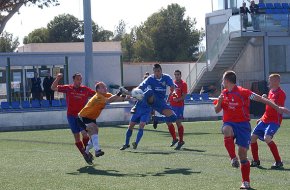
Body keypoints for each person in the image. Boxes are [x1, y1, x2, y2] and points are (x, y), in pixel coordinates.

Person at [214, 71, 290, 189]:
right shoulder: (223, 93)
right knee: (226, 130)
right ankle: (233, 158)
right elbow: (216, 110)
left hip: (243, 126)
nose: (222, 82)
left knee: (243, 155)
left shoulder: (243, 92)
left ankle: (246, 182)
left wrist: (276, 107)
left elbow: (261, 99)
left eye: (223, 80)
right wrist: (219, 101)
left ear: (227, 81)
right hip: (230, 123)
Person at [51, 72, 96, 164]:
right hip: (71, 116)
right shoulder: (68, 88)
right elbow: (53, 88)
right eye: (78, 79)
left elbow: (97, 95)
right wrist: (58, 78)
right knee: (77, 137)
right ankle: (84, 154)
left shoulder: (85, 89)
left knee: (84, 134)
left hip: (82, 116)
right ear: (74, 80)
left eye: (81, 79)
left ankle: (87, 152)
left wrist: (100, 87)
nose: (79, 81)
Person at [77, 82, 129, 158]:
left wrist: (129, 96)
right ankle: (97, 150)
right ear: (98, 89)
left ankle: (86, 151)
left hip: (91, 118)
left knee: (93, 136)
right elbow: (109, 100)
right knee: (94, 129)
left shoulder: (105, 95)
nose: (105, 88)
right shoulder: (98, 96)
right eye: (103, 87)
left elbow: (116, 98)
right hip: (83, 117)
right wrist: (120, 92)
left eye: (105, 87)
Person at [250, 74, 286, 169]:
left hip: (274, 121)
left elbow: (277, 107)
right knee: (252, 138)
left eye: (270, 80)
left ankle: (278, 161)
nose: (268, 82)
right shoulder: (270, 91)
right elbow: (268, 109)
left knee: (267, 138)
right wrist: (261, 118)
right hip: (265, 120)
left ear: (276, 81)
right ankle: (256, 161)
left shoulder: (281, 94)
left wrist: (267, 99)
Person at [137, 64, 178, 147]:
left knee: (172, 119)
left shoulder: (166, 77)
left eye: (158, 71)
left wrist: (173, 90)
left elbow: (172, 86)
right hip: (153, 100)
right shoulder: (150, 78)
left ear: (161, 71)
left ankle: (174, 138)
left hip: (161, 102)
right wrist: (135, 91)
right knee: (149, 92)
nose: (157, 73)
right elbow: (141, 86)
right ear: (153, 72)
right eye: (155, 71)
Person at [165, 70, 188, 150]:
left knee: (178, 123)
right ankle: (175, 138)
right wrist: (167, 100)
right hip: (171, 105)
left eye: (178, 74)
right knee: (168, 121)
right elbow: (171, 93)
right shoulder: (173, 83)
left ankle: (181, 141)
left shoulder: (184, 84)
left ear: (180, 75)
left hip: (179, 107)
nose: (177, 76)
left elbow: (184, 96)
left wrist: (178, 99)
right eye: (175, 75)